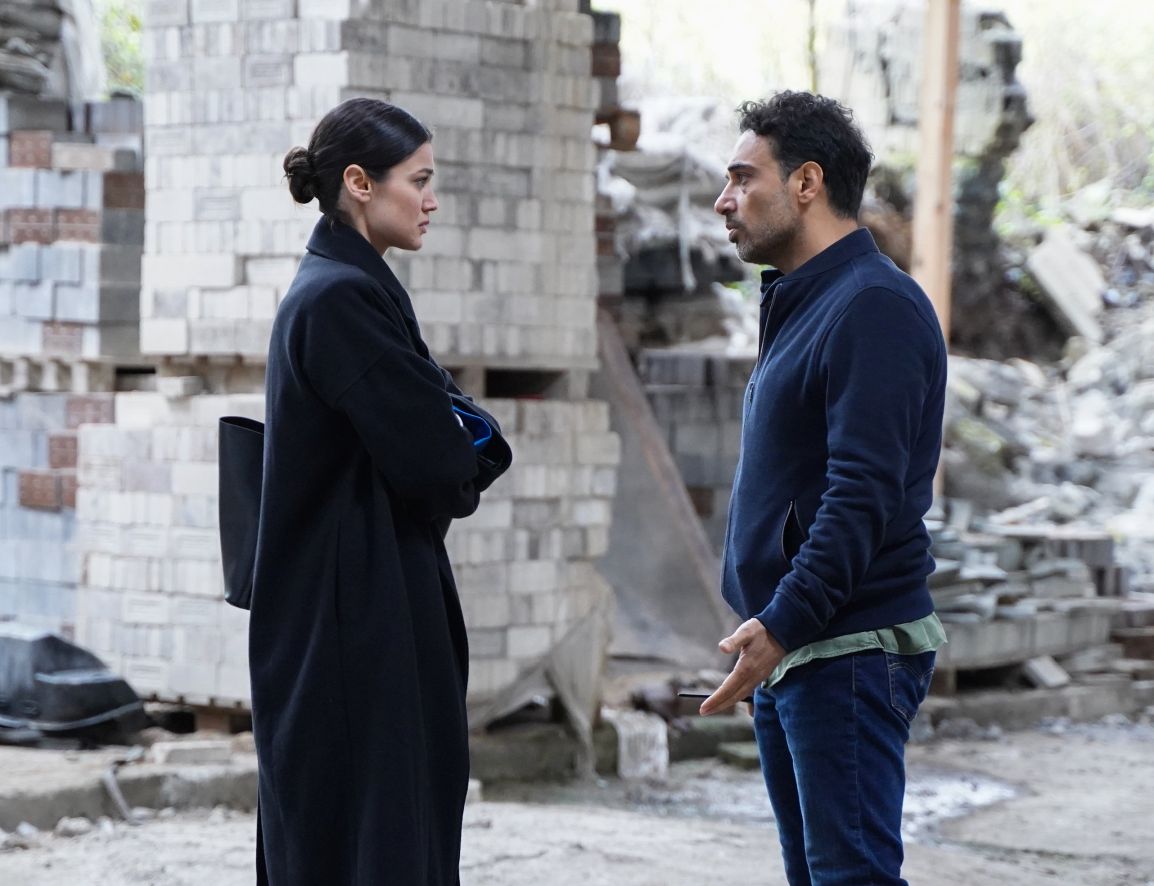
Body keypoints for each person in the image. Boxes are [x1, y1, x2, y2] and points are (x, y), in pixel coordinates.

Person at [249, 98, 511, 885]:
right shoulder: (340, 299)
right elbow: (443, 462)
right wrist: (463, 439)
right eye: (418, 181)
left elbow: (453, 436)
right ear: (360, 184)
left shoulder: (349, 286)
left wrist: (460, 434)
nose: (432, 201)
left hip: (357, 605)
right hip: (353, 623)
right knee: (370, 837)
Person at [699, 91, 948, 885]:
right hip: (801, 646)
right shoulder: (807, 300)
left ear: (806, 183)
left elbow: (861, 495)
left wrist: (784, 622)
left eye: (743, 177)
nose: (724, 199)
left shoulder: (873, 307)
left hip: (846, 647)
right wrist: (775, 630)